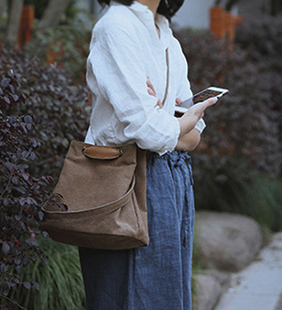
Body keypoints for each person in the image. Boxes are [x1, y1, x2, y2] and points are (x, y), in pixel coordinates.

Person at [78, 0, 218, 309]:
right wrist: (175, 125)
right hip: (124, 180)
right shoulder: (116, 25)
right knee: (124, 294)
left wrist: (168, 121)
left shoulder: (166, 34)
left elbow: (194, 133)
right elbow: (147, 129)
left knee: (164, 296)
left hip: (171, 176)